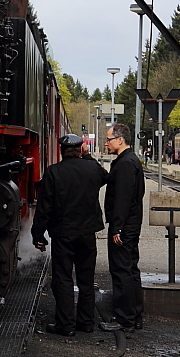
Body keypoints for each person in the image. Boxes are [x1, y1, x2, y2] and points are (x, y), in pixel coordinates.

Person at [32, 134, 108, 336]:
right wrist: (88, 157)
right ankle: (86, 322)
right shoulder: (92, 168)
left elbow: (44, 207)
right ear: (80, 149)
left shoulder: (53, 172)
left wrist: (37, 233)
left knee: (63, 278)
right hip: (87, 233)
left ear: (61, 151)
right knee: (86, 278)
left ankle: (65, 325)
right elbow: (105, 177)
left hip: (63, 234)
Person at [101, 123, 145, 332]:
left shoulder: (126, 163)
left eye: (108, 139)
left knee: (121, 270)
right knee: (130, 269)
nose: (106, 143)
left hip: (124, 227)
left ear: (120, 140)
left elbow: (123, 198)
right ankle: (134, 315)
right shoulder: (129, 160)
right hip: (130, 224)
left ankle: (125, 318)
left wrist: (117, 228)